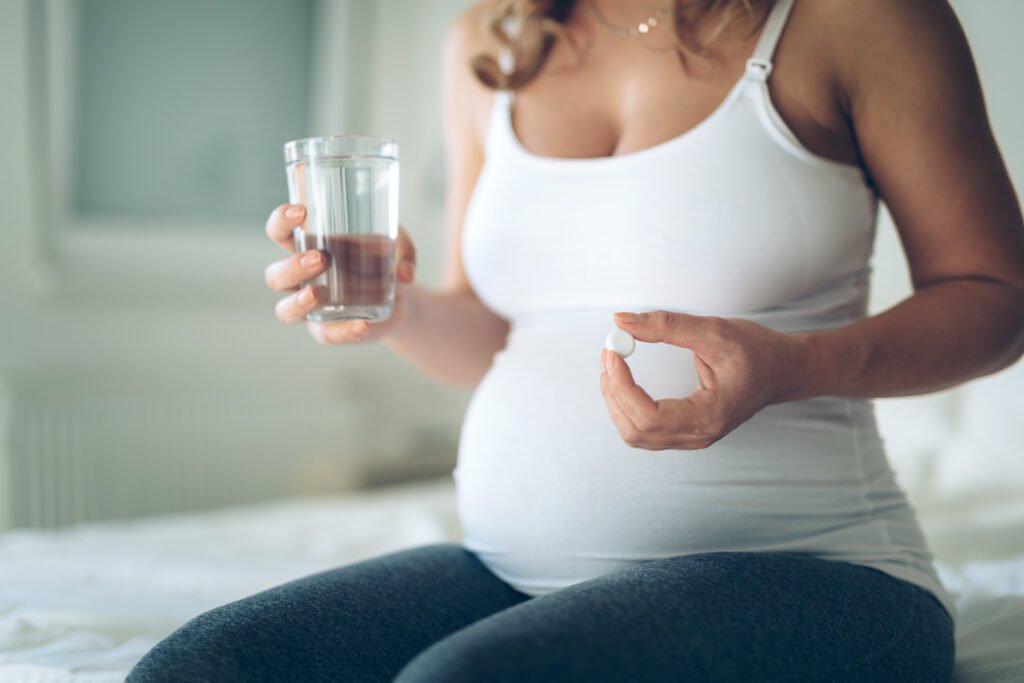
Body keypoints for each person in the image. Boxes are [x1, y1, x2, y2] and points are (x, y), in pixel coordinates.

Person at [129, 0, 1024, 680]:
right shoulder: (494, 38)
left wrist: (798, 365)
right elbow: (495, 335)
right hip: (505, 567)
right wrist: (396, 309)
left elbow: (996, 295)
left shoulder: (858, 20)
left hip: (816, 569)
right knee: (198, 669)